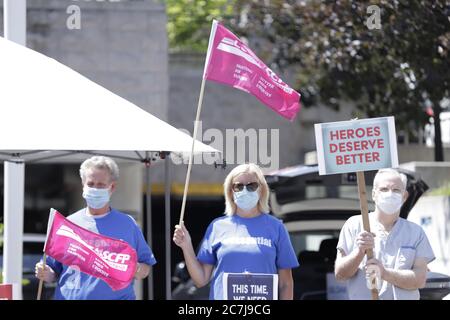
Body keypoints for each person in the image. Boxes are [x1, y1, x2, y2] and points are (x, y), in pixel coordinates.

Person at [35, 156, 156, 299]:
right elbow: (52, 271)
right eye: (91, 184)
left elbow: (146, 267)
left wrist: (135, 269)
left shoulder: (128, 225)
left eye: (100, 185)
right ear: (83, 185)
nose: (95, 189)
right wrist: (45, 272)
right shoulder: (67, 224)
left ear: (112, 187)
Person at [173, 163, 299, 300]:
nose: (245, 190)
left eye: (252, 186)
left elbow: (286, 284)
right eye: (238, 186)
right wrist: (186, 246)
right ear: (230, 192)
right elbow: (201, 279)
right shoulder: (217, 227)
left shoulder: (276, 228)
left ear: (261, 190)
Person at [335, 168, 435, 299]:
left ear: (404, 196)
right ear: (373, 195)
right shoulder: (354, 225)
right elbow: (340, 274)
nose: (390, 194)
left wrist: (385, 273)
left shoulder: (416, 233)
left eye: (396, 190)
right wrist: (359, 252)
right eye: (384, 189)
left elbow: (420, 279)